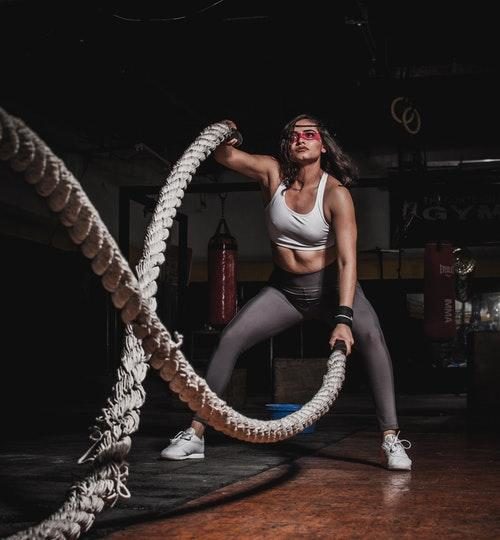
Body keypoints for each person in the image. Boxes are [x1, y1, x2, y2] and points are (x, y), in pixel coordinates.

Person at [160, 114, 412, 470]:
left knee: (371, 336)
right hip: (286, 291)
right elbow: (223, 157)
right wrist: (229, 130)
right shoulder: (271, 173)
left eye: (309, 134)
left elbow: (346, 262)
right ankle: (196, 433)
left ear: (322, 144)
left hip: (330, 288)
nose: (301, 139)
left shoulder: (336, 194)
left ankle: (391, 439)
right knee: (230, 336)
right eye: (294, 135)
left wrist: (343, 318)